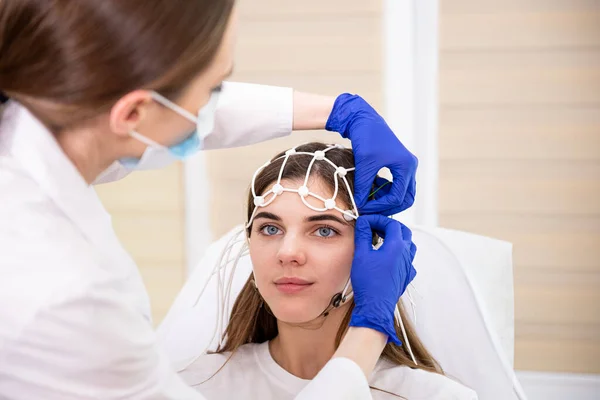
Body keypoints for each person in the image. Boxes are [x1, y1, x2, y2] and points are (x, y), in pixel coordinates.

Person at [0, 1, 418, 399]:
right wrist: (369, 326)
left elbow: (166, 104)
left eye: (324, 229)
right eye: (214, 88)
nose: (289, 253)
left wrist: (338, 110)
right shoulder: (61, 295)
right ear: (132, 114)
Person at [178, 143, 477, 399]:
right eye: (270, 228)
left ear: (373, 251)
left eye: (323, 231)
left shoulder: (437, 397)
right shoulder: (192, 386)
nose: (288, 253)